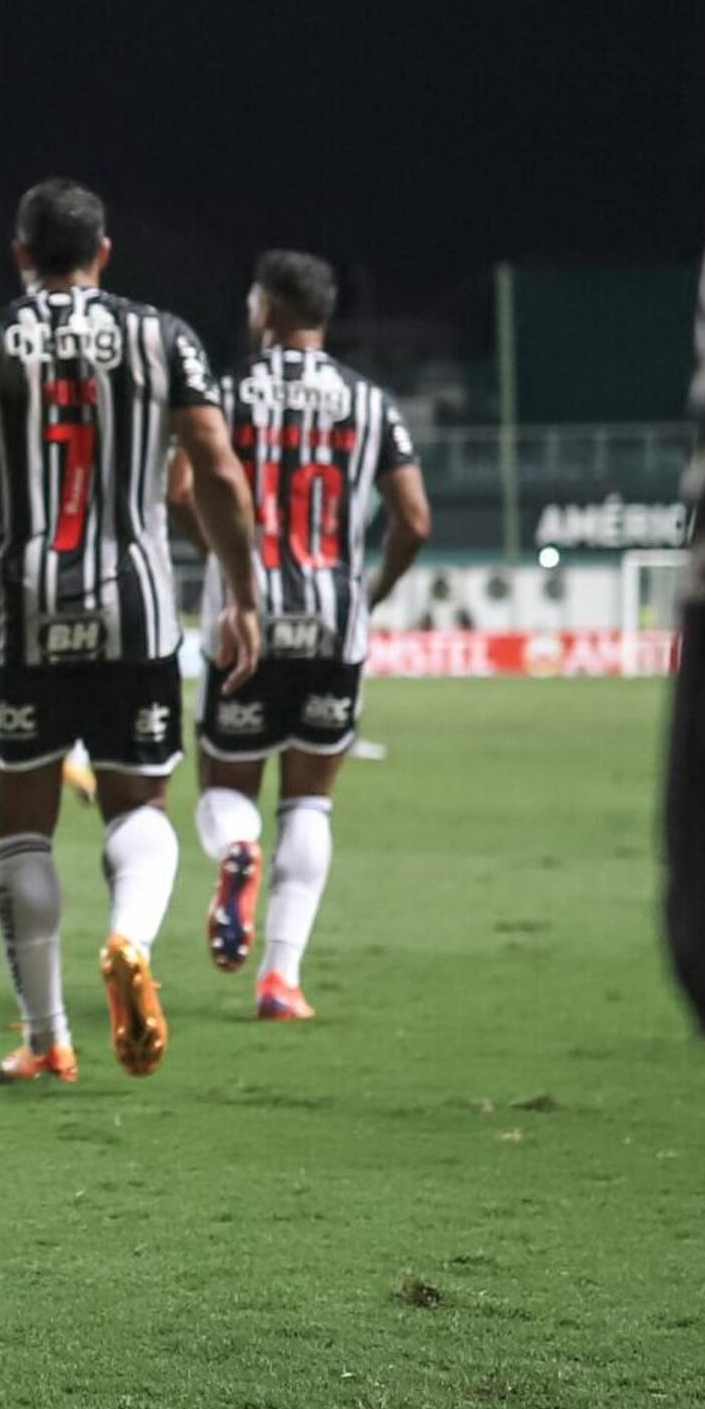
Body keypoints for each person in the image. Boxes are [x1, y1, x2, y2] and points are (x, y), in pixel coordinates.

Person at [0, 179, 263, 1083]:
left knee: (22, 828)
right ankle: (129, 940)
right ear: (104, 253)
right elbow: (213, 467)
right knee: (137, 806)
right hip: (133, 613)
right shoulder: (165, 338)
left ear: (21, 256)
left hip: (17, 619)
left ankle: (47, 1036)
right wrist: (242, 594)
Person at [180, 250, 430, 1020]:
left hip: (244, 619)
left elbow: (179, 492)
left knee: (227, 788)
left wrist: (225, 561)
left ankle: (234, 854)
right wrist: (372, 591)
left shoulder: (225, 395)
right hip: (333, 619)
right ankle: (281, 982)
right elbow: (415, 520)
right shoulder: (369, 402)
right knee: (310, 806)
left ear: (267, 308)